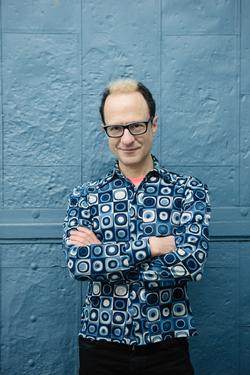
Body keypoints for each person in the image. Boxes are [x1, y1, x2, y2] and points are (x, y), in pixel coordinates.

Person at [63, 79, 211, 375]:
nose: (127, 138)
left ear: (153, 124)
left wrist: (104, 256)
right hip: (100, 347)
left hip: (167, 347)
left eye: (136, 126)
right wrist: (153, 247)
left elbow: (191, 263)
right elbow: (79, 265)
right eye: (115, 128)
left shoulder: (189, 191)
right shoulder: (85, 197)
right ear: (105, 131)